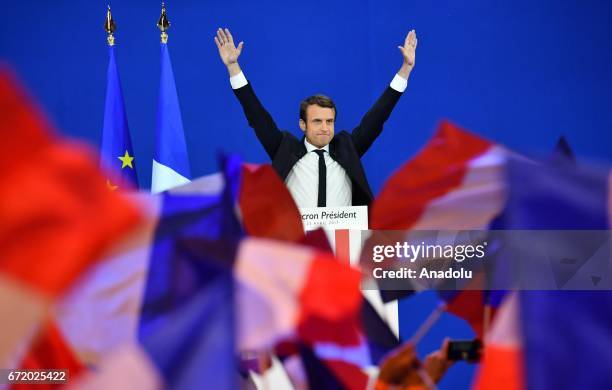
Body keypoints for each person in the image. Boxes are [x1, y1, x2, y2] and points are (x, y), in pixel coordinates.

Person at [214, 27, 417, 208]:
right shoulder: (284, 148)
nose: (325, 128)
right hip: (297, 245)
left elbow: (377, 117)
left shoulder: (348, 148)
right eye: (317, 121)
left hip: (345, 243)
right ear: (302, 124)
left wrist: (405, 70)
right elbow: (256, 116)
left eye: (329, 121)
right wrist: (233, 68)